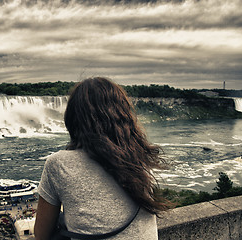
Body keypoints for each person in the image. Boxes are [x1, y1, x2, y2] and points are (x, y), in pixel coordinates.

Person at [34, 77, 169, 240]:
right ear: (123, 115)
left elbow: (41, 235)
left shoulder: (58, 164)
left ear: (73, 118)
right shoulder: (141, 155)